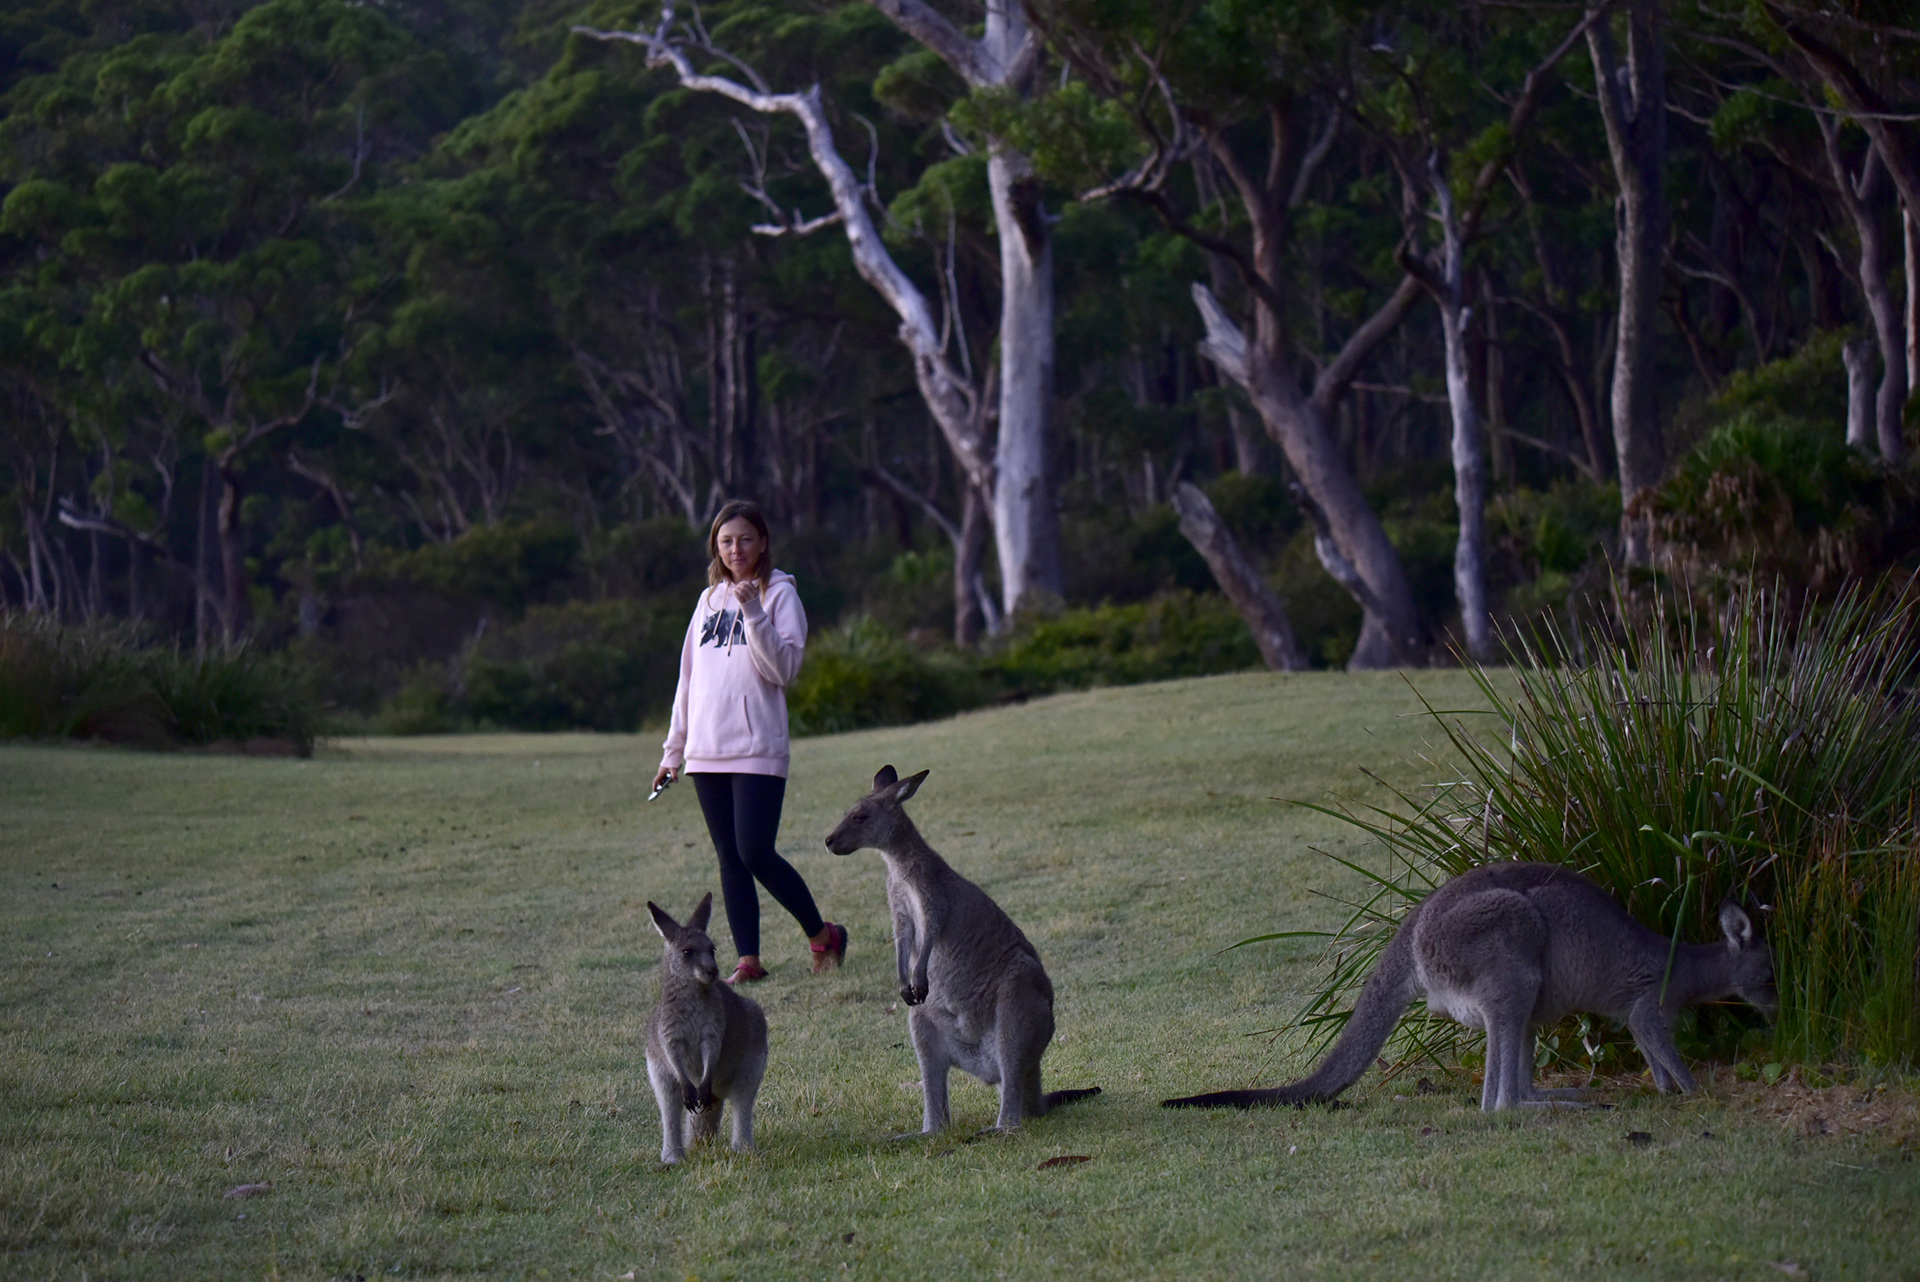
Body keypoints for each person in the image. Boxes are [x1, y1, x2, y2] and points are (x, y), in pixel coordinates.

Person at [654, 500, 847, 984]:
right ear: (715, 547)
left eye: (745, 539)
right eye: (726, 541)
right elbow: (687, 680)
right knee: (729, 856)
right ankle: (749, 961)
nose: (735, 549)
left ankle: (823, 935)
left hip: (757, 744)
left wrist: (753, 610)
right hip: (705, 749)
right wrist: (673, 751)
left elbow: (783, 670)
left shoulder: (781, 595)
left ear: (762, 543)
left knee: (755, 851)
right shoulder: (707, 601)